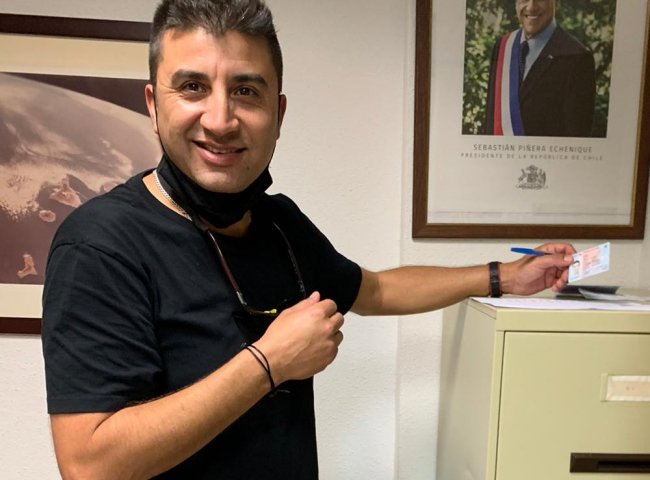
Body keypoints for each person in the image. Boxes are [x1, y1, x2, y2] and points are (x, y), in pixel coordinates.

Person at [41, 1, 576, 478]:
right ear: (153, 105)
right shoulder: (100, 245)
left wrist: (504, 277)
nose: (221, 120)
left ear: (278, 114)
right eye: (193, 87)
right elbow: (91, 465)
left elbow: (376, 290)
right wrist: (268, 363)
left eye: (245, 91)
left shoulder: (278, 222)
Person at [484, 0, 596, 137]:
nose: (531, 7)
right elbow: (491, 121)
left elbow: (576, 140)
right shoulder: (502, 47)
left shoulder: (577, 58)